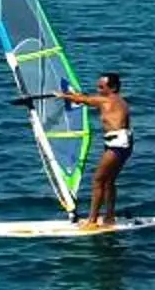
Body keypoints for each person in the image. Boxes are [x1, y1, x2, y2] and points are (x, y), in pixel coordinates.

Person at [54, 73, 132, 227]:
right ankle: (109, 217)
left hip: (117, 145)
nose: (99, 90)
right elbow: (88, 98)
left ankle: (92, 221)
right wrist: (76, 95)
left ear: (113, 88)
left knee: (98, 180)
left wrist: (62, 95)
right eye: (98, 87)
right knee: (109, 181)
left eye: (102, 87)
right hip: (124, 143)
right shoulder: (121, 101)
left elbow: (84, 100)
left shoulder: (106, 100)